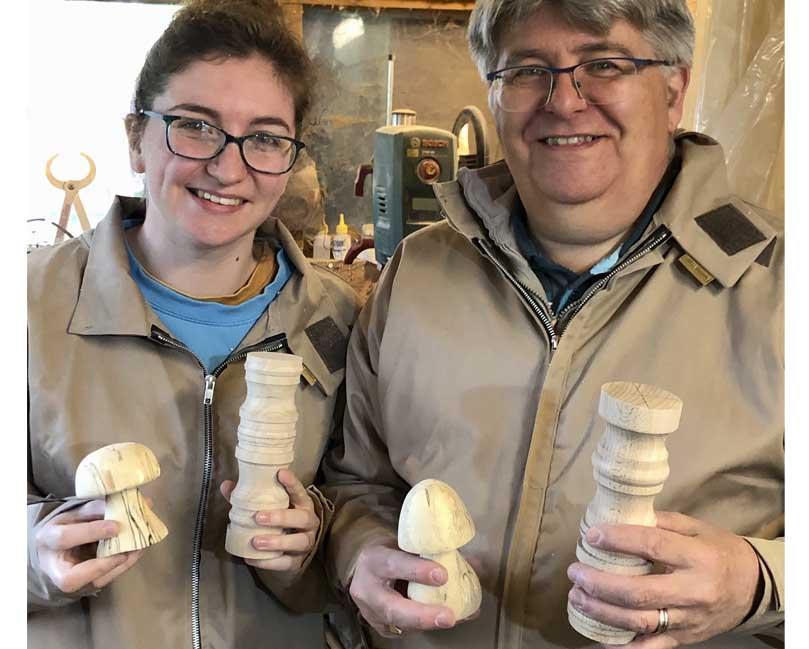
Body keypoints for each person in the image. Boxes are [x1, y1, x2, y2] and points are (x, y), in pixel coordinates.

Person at [321, 0, 783, 647]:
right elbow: (354, 484)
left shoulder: (782, 289)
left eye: (604, 63)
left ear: (673, 89)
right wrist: (358, 551)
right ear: (492, 97)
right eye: (527, 71)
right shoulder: (416, 273)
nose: (563, 101)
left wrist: (760, 580)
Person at [27, 1, 359, 648]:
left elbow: (361, 508)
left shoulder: (337, 319)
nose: (227, 167)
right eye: (195, 126)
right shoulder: (29, 304)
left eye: (264, 137)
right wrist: (31, 554)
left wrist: (310, 540)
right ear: (135, 139)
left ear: (290, 158)